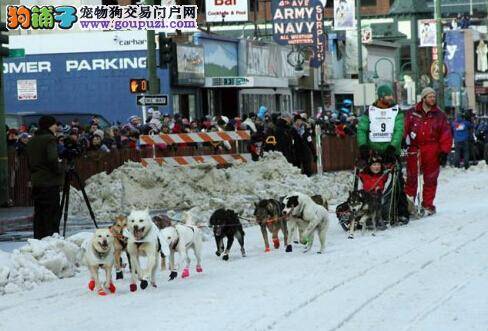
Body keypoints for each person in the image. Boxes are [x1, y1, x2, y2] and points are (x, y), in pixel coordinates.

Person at [357, 84, 409, 224]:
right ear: (381, 97)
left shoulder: (396, 111)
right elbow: (362, 129)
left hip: (391, 152)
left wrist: (393, 147)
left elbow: (399, 131)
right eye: (388, 95)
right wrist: (362, 146)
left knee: (397, 183)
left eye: (391, 95)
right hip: (373, 151)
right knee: (370, 181)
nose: (391, 98)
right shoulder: (370, 111)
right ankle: (365, 209)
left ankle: (401, 212)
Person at [404, 88, 453, 216]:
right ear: (423, 98)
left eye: (434, 96)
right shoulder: (412, 113)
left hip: (432, 149)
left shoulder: (440, 115)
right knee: (411, 177)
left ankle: (427, 204)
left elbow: (446, 134)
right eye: (430, 96)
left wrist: (444, 151)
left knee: (430, 179)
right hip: (415, 149)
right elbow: (404, 128)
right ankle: (408, 204)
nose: (432, 99)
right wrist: (403, 141)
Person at [26, 116, 64, 239]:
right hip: (49, 182)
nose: (56, 127)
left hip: (37, 182)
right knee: (51, 213)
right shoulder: (49, 139)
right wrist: (59, 170)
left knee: (39, 214)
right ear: (49, 126)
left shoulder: (32, 141)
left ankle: (38, 239)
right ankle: (51, 238)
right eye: (54, 125)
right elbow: (52, 158)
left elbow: (29, 162)